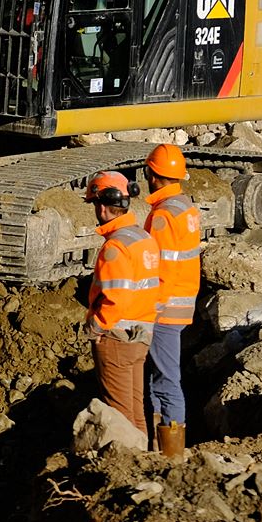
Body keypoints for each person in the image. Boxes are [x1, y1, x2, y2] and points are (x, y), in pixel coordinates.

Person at [84, 171, 160, 436]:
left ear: (103, 206)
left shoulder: (115, 247)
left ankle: (128, 467)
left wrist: (95, 326)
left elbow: (116, 299)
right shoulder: (142, 238)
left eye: (94, 204)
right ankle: (145, 461)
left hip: (117, 338)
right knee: (135, 409)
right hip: (141, 334)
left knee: (118, 413)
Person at [142, 144, 203, 460]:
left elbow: (161, 268)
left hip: (165, 308)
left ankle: (172, 455)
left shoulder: (164, 216)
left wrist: (150, 309)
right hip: (181, 301)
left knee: (166, 380)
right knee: (157, 378)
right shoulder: (185, 208)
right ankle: (159, 446)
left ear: (151, 175)